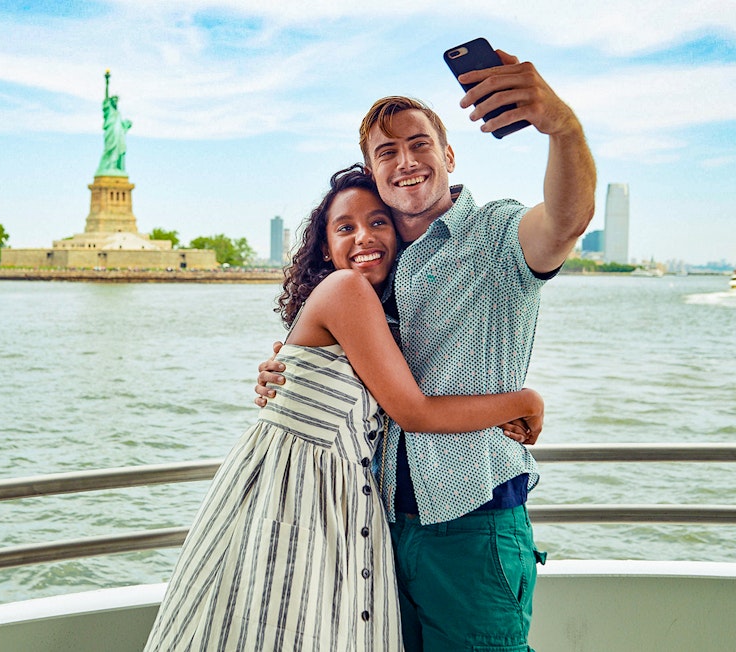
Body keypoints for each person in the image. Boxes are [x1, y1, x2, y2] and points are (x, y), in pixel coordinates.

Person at [255, 51, 596, 651]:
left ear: (449, 156)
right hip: (378, 526)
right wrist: (285, 377)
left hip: (473, 518)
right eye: (387, 153)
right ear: (372, 171)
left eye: (420, 145)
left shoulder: (494, 236)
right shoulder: (375, 278)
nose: (406, 162)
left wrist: (560, 126)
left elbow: (567, 219)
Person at [144, 165, 545, 652]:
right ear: (325, 246)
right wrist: (525, 400)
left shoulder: (383, 312)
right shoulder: (346, 290)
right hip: (296, 500)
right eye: (345, 228)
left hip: (330, 502)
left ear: (399, 234)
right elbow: (413, 411)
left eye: (378, 222)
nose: (363, 238)